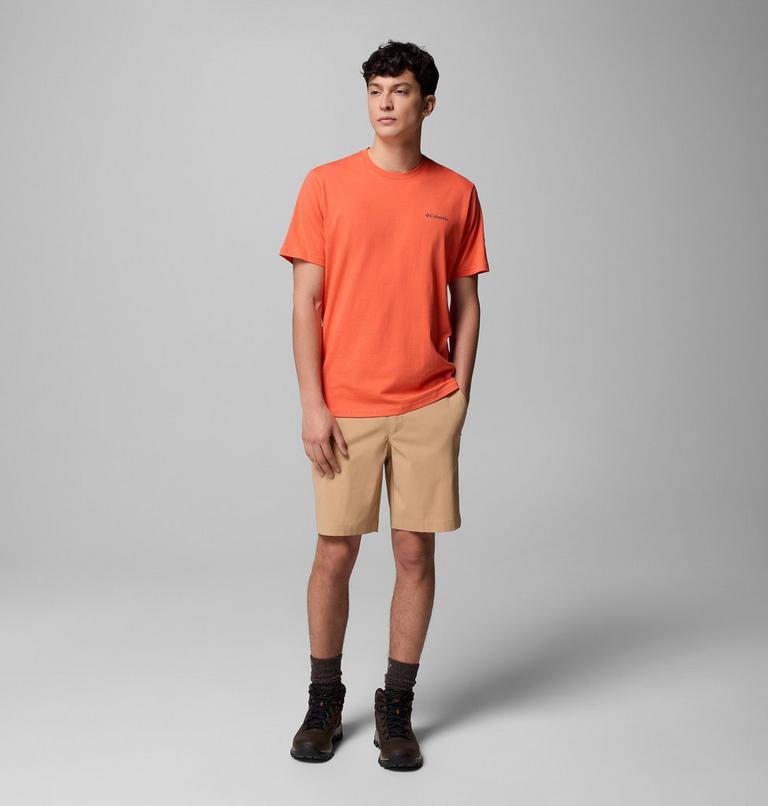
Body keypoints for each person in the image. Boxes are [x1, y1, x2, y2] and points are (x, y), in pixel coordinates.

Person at [279, 39, 489, 771]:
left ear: (427, 103)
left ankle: (396, 706)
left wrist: (459, 393)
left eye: (399, 90)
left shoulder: (457, 193)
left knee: (413, 551)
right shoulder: (325, 185)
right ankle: (324, 700)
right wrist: (313, 404)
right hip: (347, 406)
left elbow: (467, 303)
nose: (386, 103)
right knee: (335, 551)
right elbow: (304, 304)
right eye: (375, 90)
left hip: (429, 402)